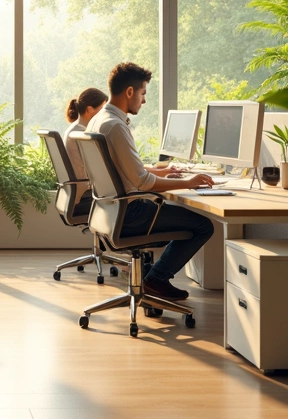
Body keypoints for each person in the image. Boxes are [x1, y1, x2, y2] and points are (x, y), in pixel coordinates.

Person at [85, 62, 215, 301]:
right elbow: (143, 183)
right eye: (143, 93)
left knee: (181, 217)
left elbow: (125, 170)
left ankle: (150, 277)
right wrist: (189, 182)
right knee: (203, 226)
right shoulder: (115, 126)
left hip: (109, 211)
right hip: (131, 214)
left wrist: (165, 173)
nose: (144, 101)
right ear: (130, 92)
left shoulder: (99, 121)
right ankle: (155, 279)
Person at [63, 88, 108, 182]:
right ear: (90, 110)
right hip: (88, 189)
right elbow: (101, 167)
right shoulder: (83, 135)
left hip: (79, 187)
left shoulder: (74, 130)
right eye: (103, 108)